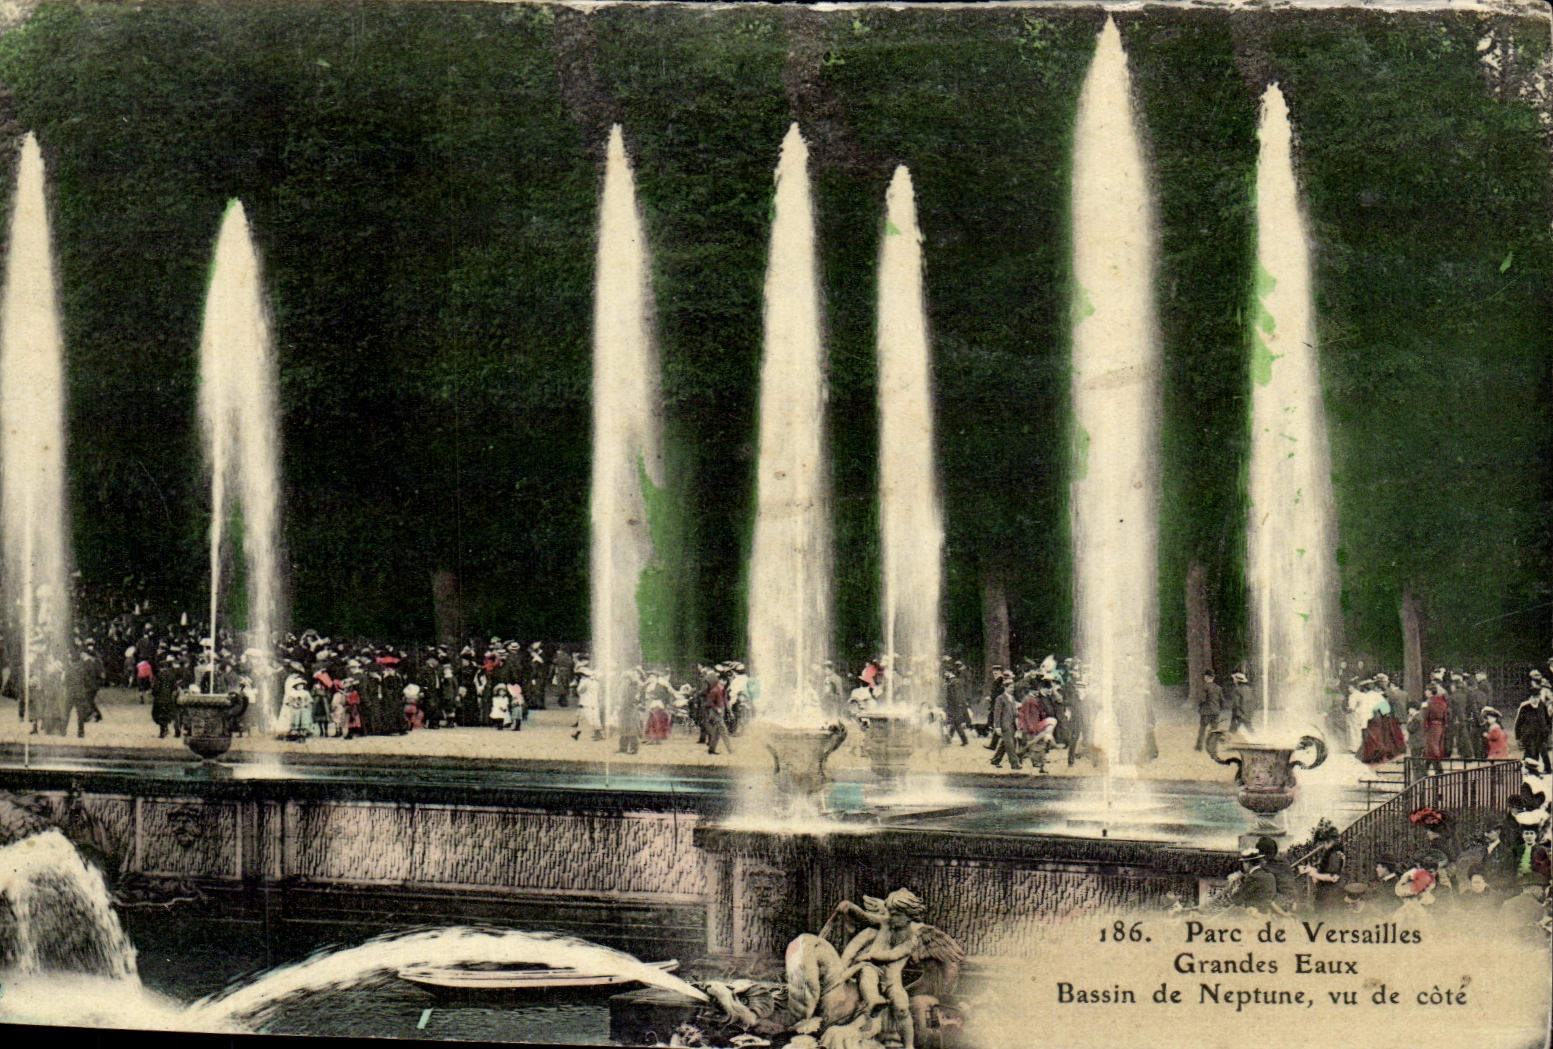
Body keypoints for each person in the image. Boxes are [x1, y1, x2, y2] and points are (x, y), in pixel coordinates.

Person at [1422, 679, 1451, 775]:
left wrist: (1425, 725)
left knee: (1432, 747)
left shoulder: (1429, 702)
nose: (1425, 692)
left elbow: (1426, 716)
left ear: (1430, 692)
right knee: (1431, 747)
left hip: (1432, 726)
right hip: (1439, 726)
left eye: (1426, 690)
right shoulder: (1442, 702)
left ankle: (1438, 769)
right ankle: (1426, 769)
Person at [1195, 670, 1223, 750]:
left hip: (1206, 711)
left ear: (1206, 677)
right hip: (1215, 711)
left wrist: (1200, 706)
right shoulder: (1218, 688)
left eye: (1205, 676)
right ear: (1213, 678)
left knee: (1202, 729)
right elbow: (1222, 700)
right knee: (1214, 729)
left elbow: (1202, 699)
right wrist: (1218, 708)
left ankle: (1199, 746)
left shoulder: (1205, 687)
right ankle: (1212, 746)